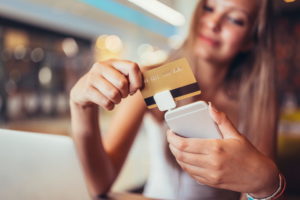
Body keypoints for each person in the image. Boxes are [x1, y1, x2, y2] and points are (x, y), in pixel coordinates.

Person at [70, 0, 286, 199]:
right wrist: (80, 106)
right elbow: (99, 184)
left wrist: (263, 184)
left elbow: (256, 191)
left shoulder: (258, 103)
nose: (213, 22)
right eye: (209, 8)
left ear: (251, 39)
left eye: (235, 19)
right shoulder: (149, 80)